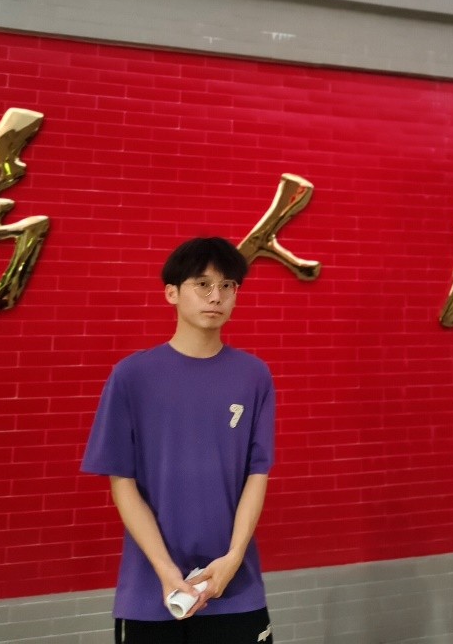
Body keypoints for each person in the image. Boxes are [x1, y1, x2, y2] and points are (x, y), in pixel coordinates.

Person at [82, 237, 275, 644]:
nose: (216, 296)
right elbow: (122, 483)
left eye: (227, 286)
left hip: (235, 587)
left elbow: (257, 474)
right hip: (151, 591)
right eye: (202, 284)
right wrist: (166, 571)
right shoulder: (132, 376)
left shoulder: (253, 375)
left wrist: (234, 558)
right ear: (171, 293)